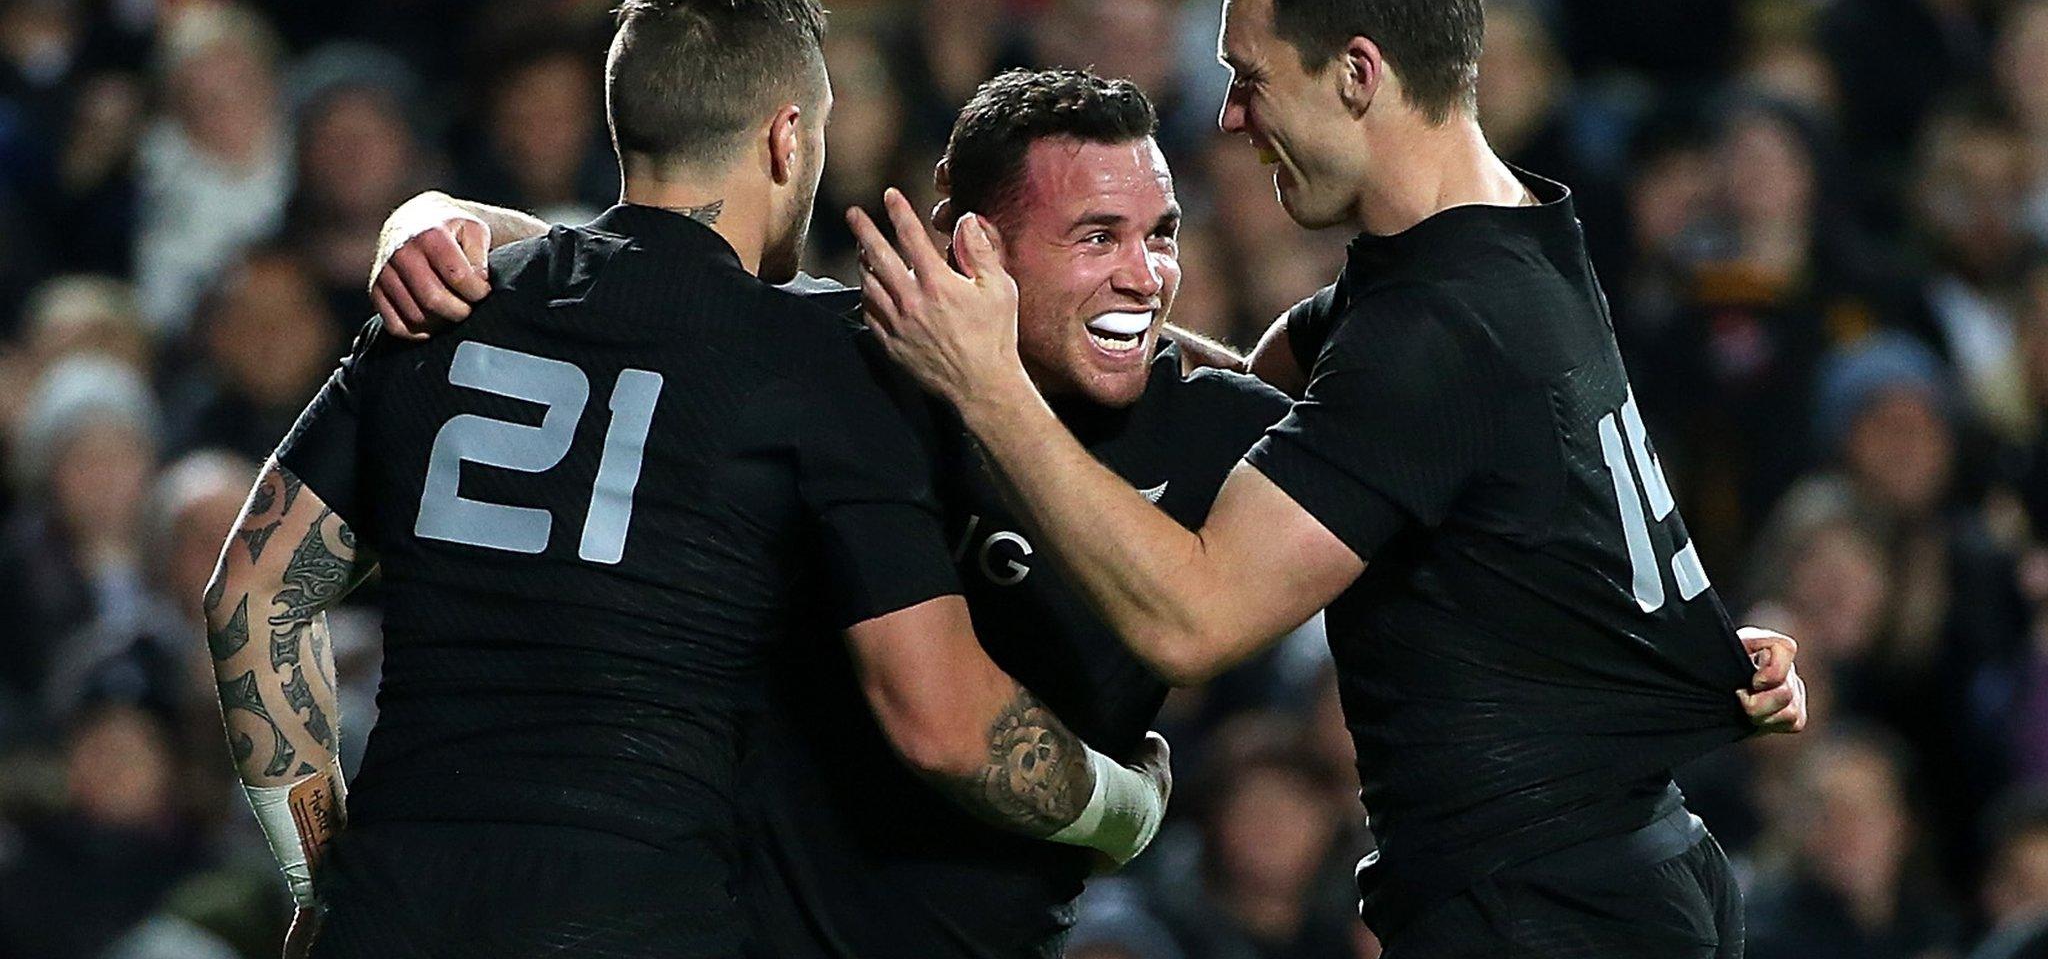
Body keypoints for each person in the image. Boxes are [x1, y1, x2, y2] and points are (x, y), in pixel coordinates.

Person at [376, 66, 1809, 958]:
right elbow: (622, 264)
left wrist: (1690, 646)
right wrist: (430, 221)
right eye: (1100, 237)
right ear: (972, 250)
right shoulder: (840, 364)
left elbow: (1498, 546)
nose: (1148, 275)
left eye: (1166, 233)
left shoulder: (1234, 438)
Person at [845, 0, 1806, 958]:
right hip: (1601, 877)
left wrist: (987, 387)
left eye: (1251, 77)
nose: (1230, 116)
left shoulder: (1434, 335)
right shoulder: (1499, 241)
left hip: (1549, 911)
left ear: (1357, 73)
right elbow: (1275, 394)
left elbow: (1192, 617)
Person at [204, 0, 1169, 959]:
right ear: (787, 137)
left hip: (394, 910)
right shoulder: (828, 359)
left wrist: (318, 883)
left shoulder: (440, 303)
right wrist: (1121, 808)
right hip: (638, 912)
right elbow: (947, 723)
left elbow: (252, 597)